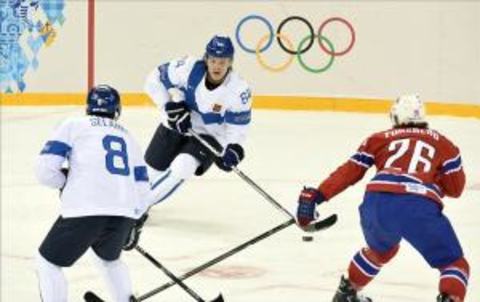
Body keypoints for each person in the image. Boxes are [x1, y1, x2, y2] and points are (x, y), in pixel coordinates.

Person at [295, 95, 469, 302]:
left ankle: (347, 293)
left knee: (380, 251)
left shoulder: (379, 138)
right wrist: (434, 177)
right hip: (417, 204)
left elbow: (350, 171)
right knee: (454, 264)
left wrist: (317, 196)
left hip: (377, 202)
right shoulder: (445, 145)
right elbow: (456, 189)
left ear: (394, 118)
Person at [35, 85, 151, 302]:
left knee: (48, 263)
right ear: (117, 110)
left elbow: (44, 170)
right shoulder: (128, 136)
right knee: (108, 260)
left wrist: (65, 183)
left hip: (86, 207)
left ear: (88, 107)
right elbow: (143, 188)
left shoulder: (74, 125)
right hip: (124, 211)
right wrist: (134, 220)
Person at [143, 34, 252, 206]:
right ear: (206, 58)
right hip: (178, 124)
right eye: (214, 60)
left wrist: (233, 148)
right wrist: (167, 107)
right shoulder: (187, 67)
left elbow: (237, 126)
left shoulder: (238, 89)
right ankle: (131, 205)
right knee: (149, 174)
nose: (217, 66)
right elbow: (153, 79)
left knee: (182, 167)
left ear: (230, 62)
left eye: (222, 62)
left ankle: (139, 209)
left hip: (210, 136)